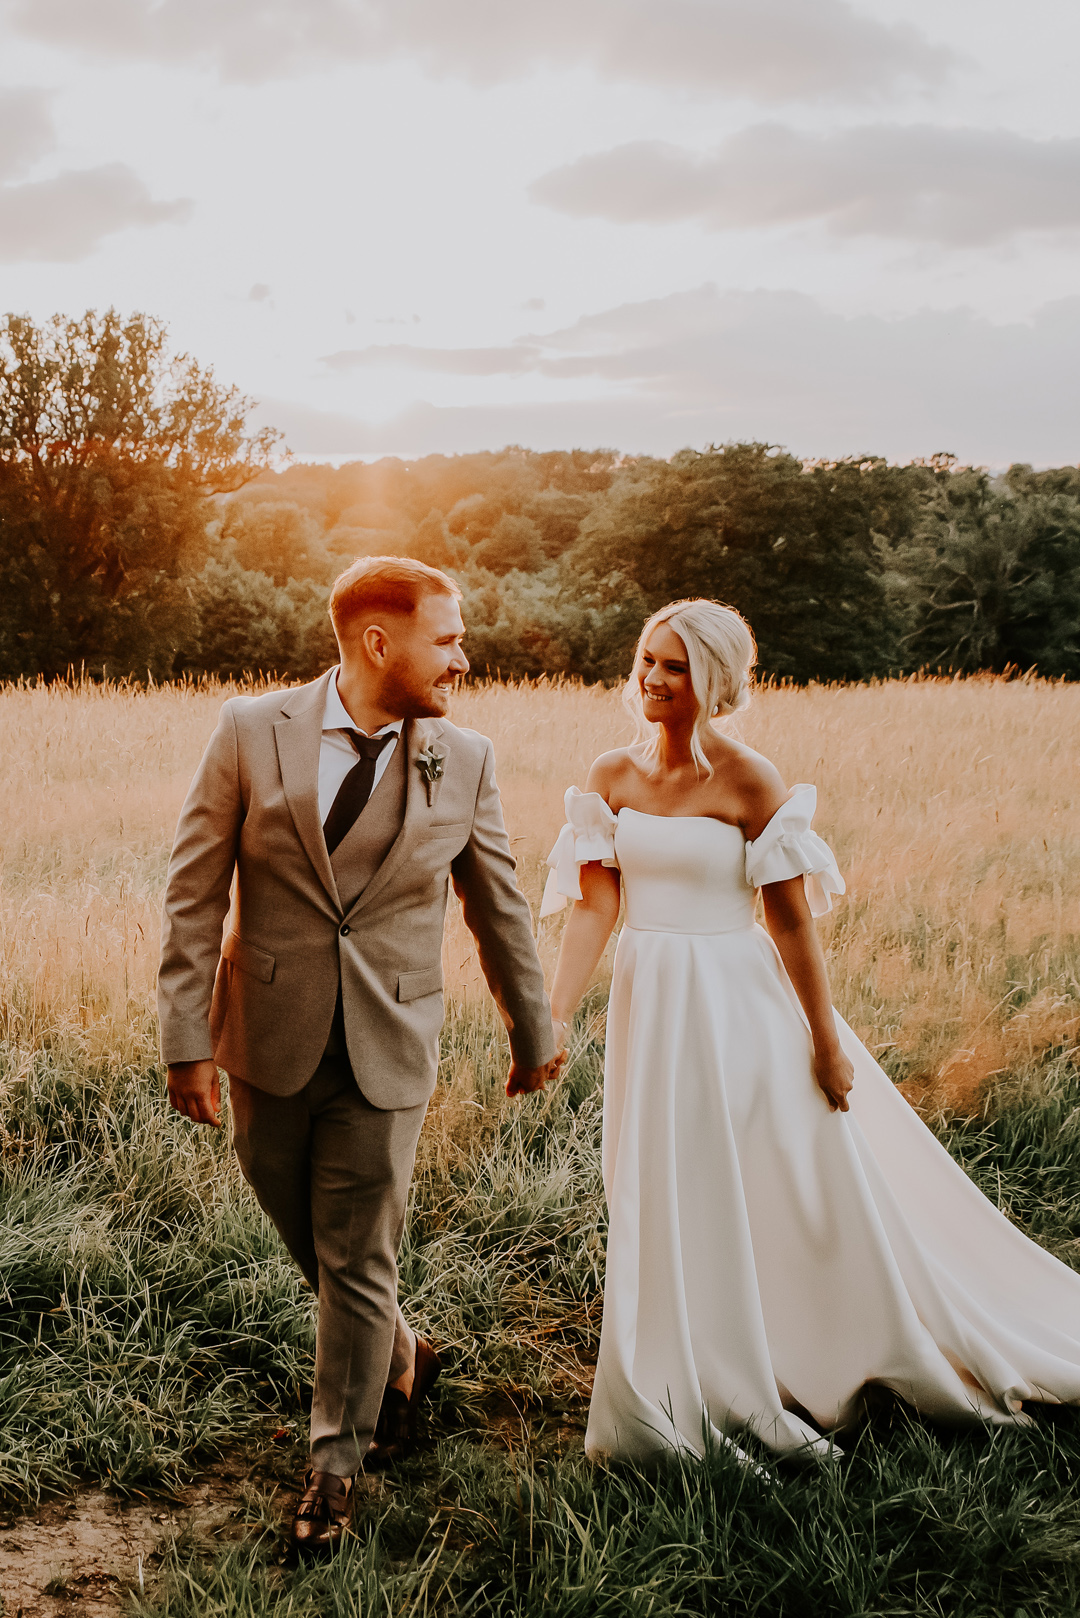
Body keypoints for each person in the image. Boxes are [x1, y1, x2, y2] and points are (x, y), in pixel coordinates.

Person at [543, 596, 1080, 1463]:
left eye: (673, 666)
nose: (651, 678)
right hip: (652, 1005)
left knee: (779, 1182)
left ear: (713, 679)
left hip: (738, 1003)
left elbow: (790, 923)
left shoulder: (751, 779)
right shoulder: (611, 775)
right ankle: (682, 1365)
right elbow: (596, 904)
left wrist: (826, 1042)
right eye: (647, 659)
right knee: (659, 1181)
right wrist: (557, 1010)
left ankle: (809, 1355)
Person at [158, 555, 562, 1554]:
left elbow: (498, 903)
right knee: (315, 1240)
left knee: (359, 1255)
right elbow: (194, 892)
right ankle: (403, 1351)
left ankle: (333, 1468)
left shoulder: (462, 758)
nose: (463, 657)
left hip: (390, 1044)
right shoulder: (250, 732)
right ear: (379, 642)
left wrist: (532, 1025)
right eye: (448, 637)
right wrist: (185, 1039)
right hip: (266, 1040)